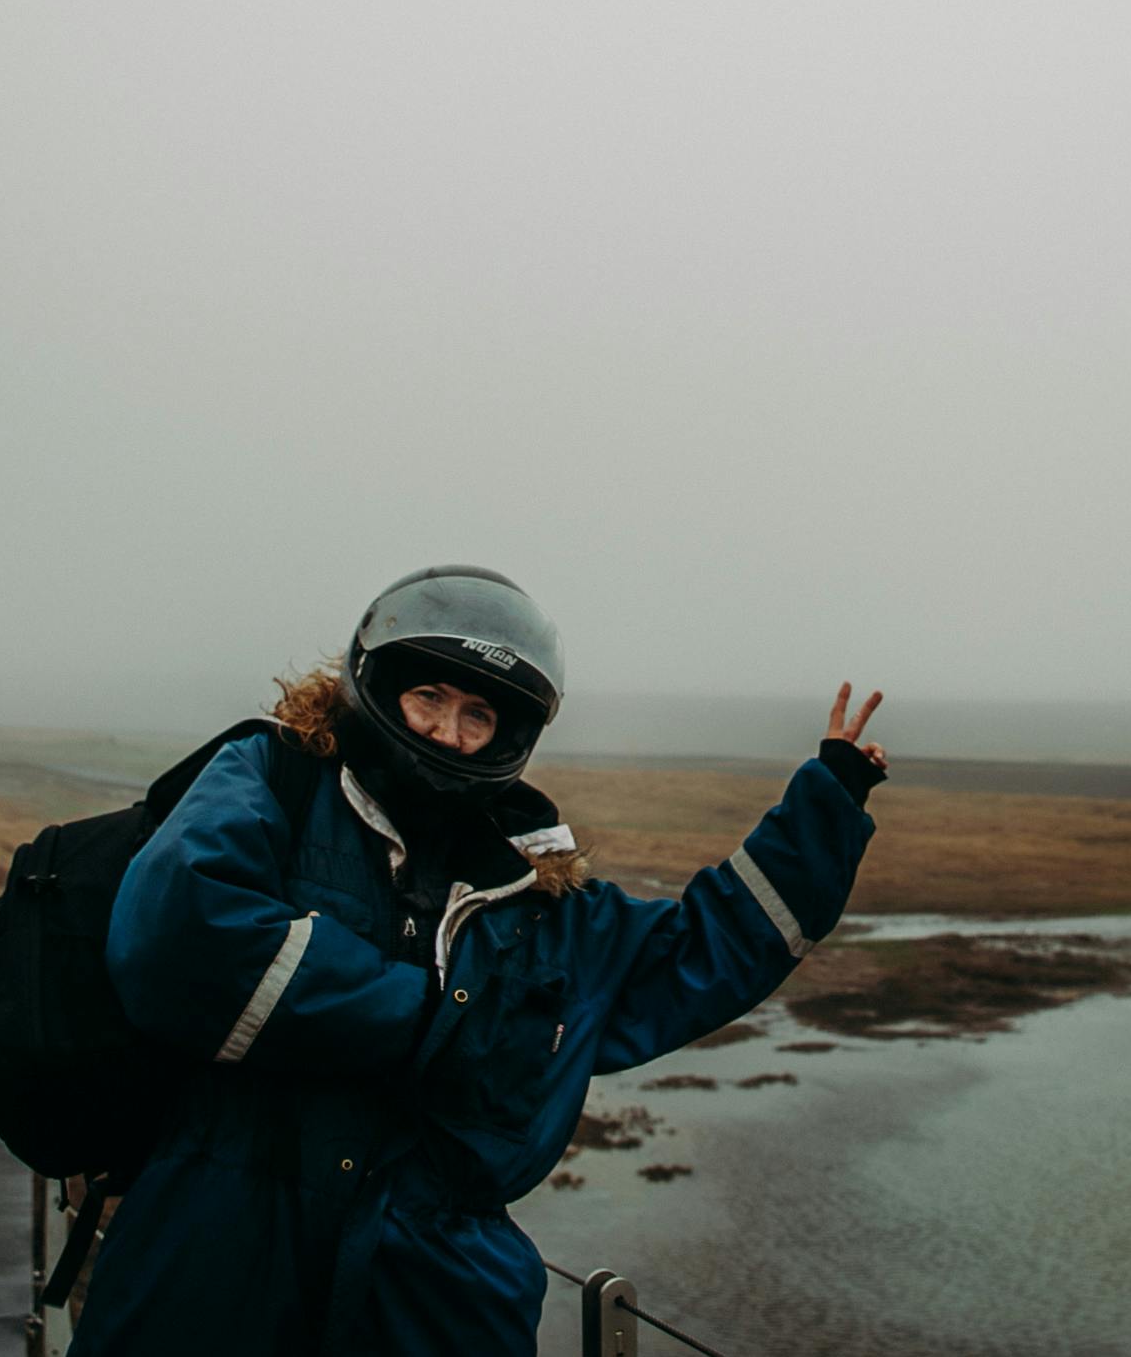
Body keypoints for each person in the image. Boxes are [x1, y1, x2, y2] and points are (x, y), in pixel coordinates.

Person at [70, 564, 888, 1354]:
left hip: (443, 1287)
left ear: (510, 736)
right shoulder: (274, 783)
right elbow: (182, 934)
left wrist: (827, 803)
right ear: (373, 685)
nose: (445, 732)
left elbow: (699, 953)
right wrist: (425, 1016)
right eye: (427, 695)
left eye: (477, 716)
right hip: (219, 1246)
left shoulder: (538, 903)